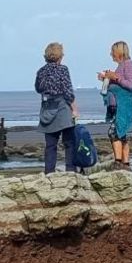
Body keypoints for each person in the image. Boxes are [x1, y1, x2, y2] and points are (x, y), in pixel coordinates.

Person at [34, 42, 78, 174]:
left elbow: (38, 89)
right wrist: (74, 108)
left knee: (50, 145)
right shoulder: (63, 69)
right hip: (62, 106)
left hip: (47, 108)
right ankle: (70, 170)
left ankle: (49, 172)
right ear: (60, 56)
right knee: (69, 142)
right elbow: (67, 90)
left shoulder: (41, 71)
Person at [96, 40, 132, 169]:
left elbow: (130, 85)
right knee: (121, 133)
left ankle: (118, 161)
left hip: (123, 106)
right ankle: (126, 163)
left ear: (119, 52)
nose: (111, 54)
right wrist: (106, 78)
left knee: (113, 132)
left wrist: (115, 77)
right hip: (116, 106)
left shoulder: (129, 65)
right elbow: (117, 82)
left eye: (112, 51)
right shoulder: (121, 66)